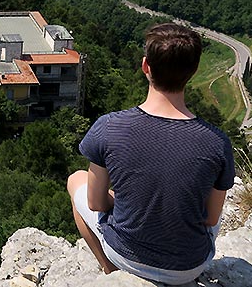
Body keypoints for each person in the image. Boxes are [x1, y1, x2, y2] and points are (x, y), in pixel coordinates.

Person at [67, 23, 235, 285]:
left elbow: (96, 203)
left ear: (146, 66)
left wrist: (126, 206)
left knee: (75, 179)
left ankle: (110, 269)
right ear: (193, 71)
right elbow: (211, 218)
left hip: (127, 255)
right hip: (189, 267)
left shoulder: (109, 126)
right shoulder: (217, 142)